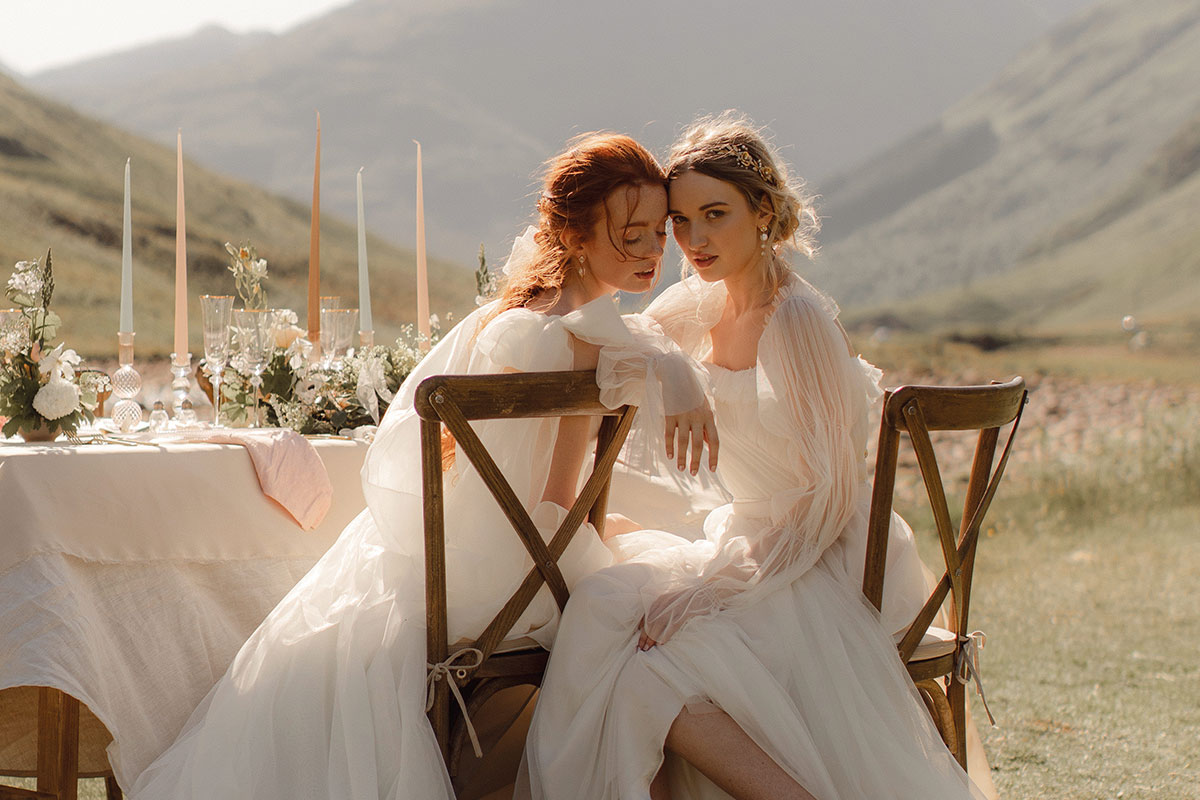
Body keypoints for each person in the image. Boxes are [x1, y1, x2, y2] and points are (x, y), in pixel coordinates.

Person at [129, 132, 713, 800]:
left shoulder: (521, 315)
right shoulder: (587, 333)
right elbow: (555, 505)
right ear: (577, 237)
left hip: (450, 562)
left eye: (659, 236)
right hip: (517, 580)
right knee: (680, 599)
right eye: (629, 235)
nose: (649, 254)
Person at [520, 114, 986, 799]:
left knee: (654, 672)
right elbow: (616, 330)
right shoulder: (700, 303)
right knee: (606, 609)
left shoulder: (796, 320)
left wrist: (714, 588)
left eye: (715, 214)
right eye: (679, 221)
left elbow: (829, 496)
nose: (694, 239)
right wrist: (672, 370)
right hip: (749, 541)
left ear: (763, 211)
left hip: (827, 558)